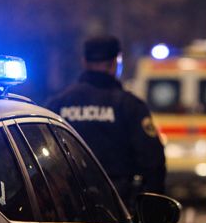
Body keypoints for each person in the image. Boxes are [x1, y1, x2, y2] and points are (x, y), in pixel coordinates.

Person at [46, 35, 166, 208]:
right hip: (118, 207)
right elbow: (153, 161)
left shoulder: (58, 104)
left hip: (67, 206)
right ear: (116, 63)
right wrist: (152, 209)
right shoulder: (129, 106)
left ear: (84, 61)